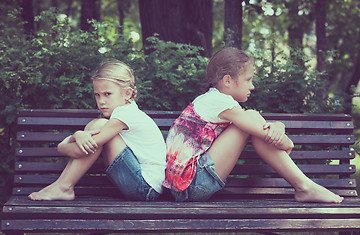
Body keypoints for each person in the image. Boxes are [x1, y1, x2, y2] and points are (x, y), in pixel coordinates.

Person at [162, 48, 344, 203]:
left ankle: (305, 187)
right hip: (191, 184)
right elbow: (267, 134)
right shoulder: (219, 101)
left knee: (252, 116)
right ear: (227, 81)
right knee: (251, 117)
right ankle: (304, 186)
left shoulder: (211, 100)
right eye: (248, 79)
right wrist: (287, 141)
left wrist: (278, 126)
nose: (253, 86)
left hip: (185, 185)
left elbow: (259, 126)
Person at [28, 59, 166, 201]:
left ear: (127, 94)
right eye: (97, 95)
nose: (101, 101)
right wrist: (79, 135)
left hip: (145, 187)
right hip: (141, 185)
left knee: (99, 125)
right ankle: (61, 186)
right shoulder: (123, 113)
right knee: (96, 124)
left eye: (107, 94)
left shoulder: (126, 115)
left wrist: (62, 146)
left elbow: (81, 150)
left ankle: (63, 187)